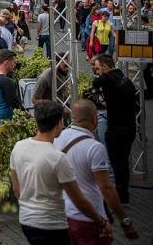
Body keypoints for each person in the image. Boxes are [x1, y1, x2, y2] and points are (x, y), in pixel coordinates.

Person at [10, 100, 110, 245]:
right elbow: (79, 201)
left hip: (26, 221)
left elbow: (16, 189)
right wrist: (100, 220)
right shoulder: (57, 158)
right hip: (52, 226)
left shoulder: (18, 146)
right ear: (59, 123)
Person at [53, 99, 139, 243]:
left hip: (64, 214)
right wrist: (125, 221)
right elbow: (107, 188)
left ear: (73, 117)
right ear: (95, 118)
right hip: (89, 217)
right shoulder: (95, 147)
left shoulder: (59, 137)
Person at [90, 53, 138, 204]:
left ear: (105, 67)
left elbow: (96, 82)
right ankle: (123, 193)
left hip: (116, 128)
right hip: (129, 128)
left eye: (97, 68)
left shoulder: (108, 79)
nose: (96, 71)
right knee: (123, 162)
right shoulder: (125, 79)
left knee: (117, 163)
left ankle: (119, 194)